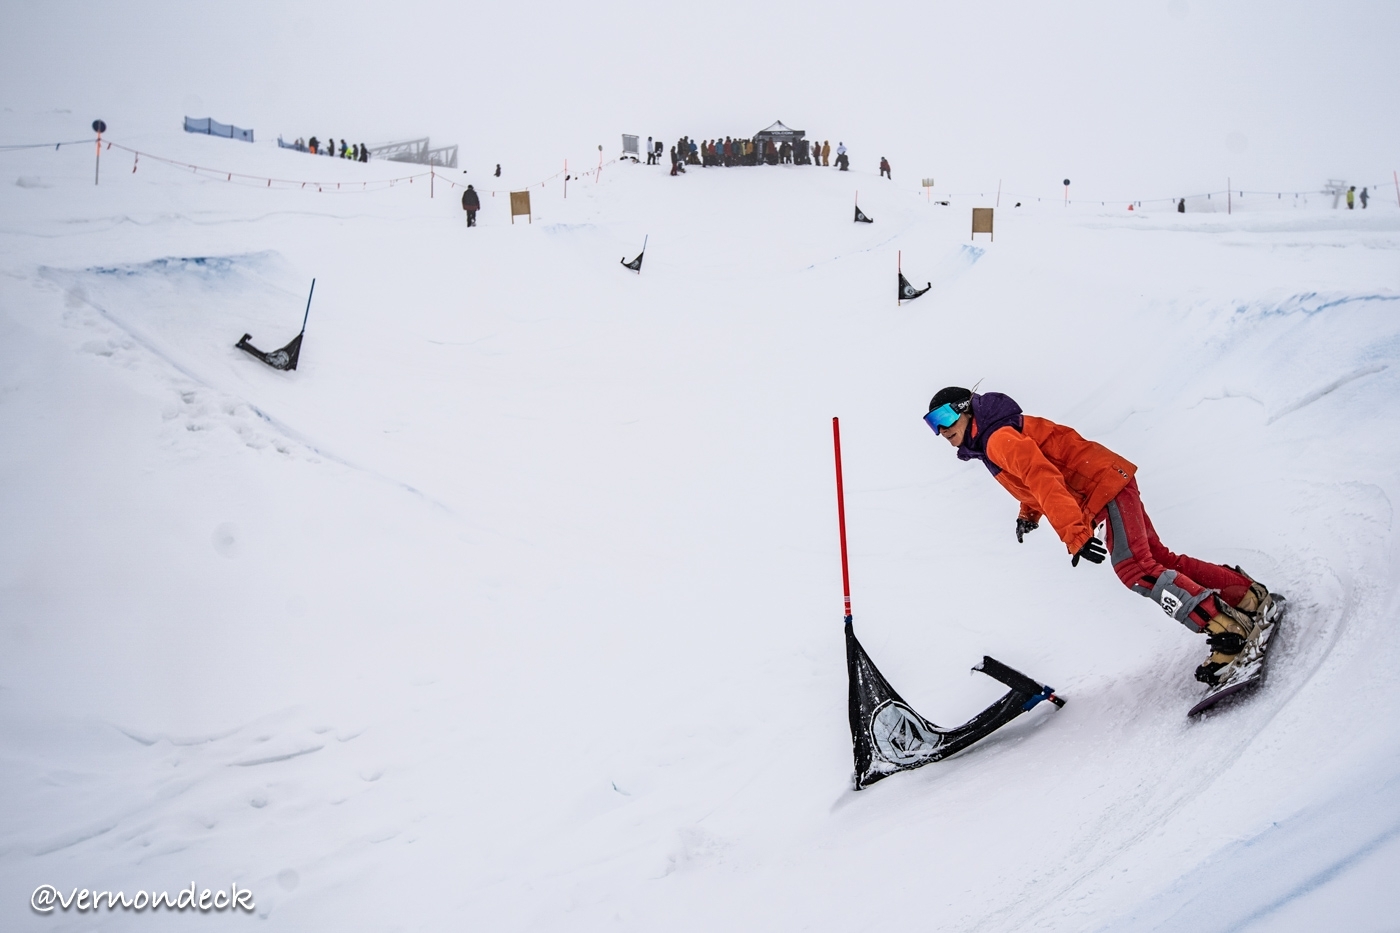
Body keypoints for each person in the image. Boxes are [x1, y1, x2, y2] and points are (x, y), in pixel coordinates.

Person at [924, 386, 1275, 686]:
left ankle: (1230, 630)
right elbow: (1033, 483)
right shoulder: (991, 439)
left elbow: (1044, 478)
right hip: (1105, 482)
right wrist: (1029, 514)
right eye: (932, 425)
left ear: (965, 410)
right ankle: (1246, 597)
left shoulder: (998, 439)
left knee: (1134, 568)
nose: (941, 430)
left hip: (1101, 488)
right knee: (1156, 561)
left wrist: (1074, 534)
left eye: (944, 418)